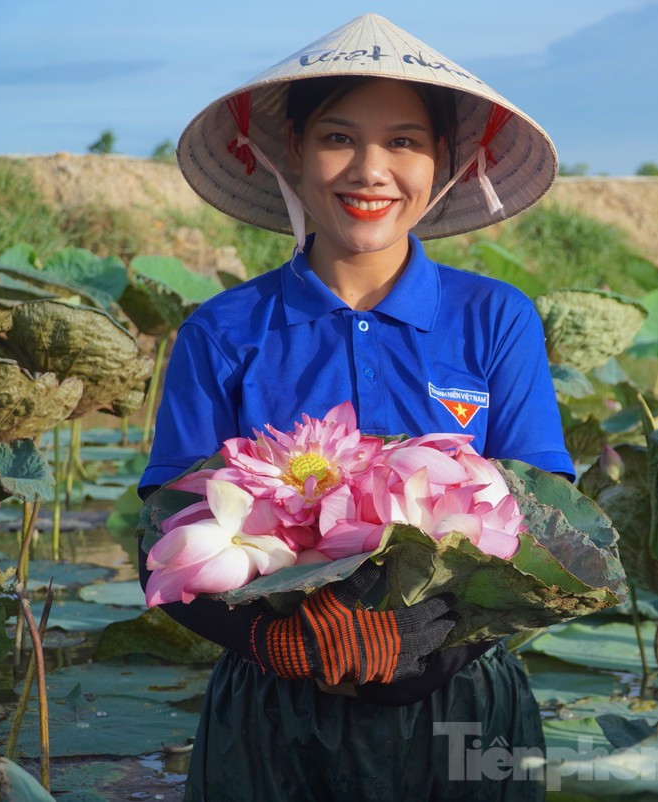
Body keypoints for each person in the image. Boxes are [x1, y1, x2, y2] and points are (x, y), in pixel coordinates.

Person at [137, 13, 571, 801]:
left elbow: (548, 524)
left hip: (462, 704)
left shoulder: (496, 319)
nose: (371, 169)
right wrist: (277, 640)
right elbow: (163, 537)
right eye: (339, 138)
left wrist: (433, 646)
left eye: (404, 141)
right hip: (274, 716)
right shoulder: (223, 331)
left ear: (445, 163)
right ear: (291, 152)